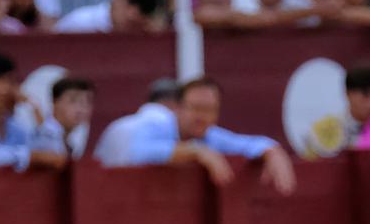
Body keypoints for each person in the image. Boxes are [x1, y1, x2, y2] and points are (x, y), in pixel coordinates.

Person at [102, 75, 298, 196]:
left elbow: (243, 143)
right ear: (177, 108)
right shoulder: (155, 122)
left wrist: (272, 150)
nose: (202, 117)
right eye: (196, 108)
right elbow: (138, 153)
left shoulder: (208, 136)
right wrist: (196, 151)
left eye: (210, 110)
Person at [34, 75, 95, 159]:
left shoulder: (65, 140)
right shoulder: (43, 138)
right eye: (73, 100)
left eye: (87, 102)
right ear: (55, 102)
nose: (82, 109)